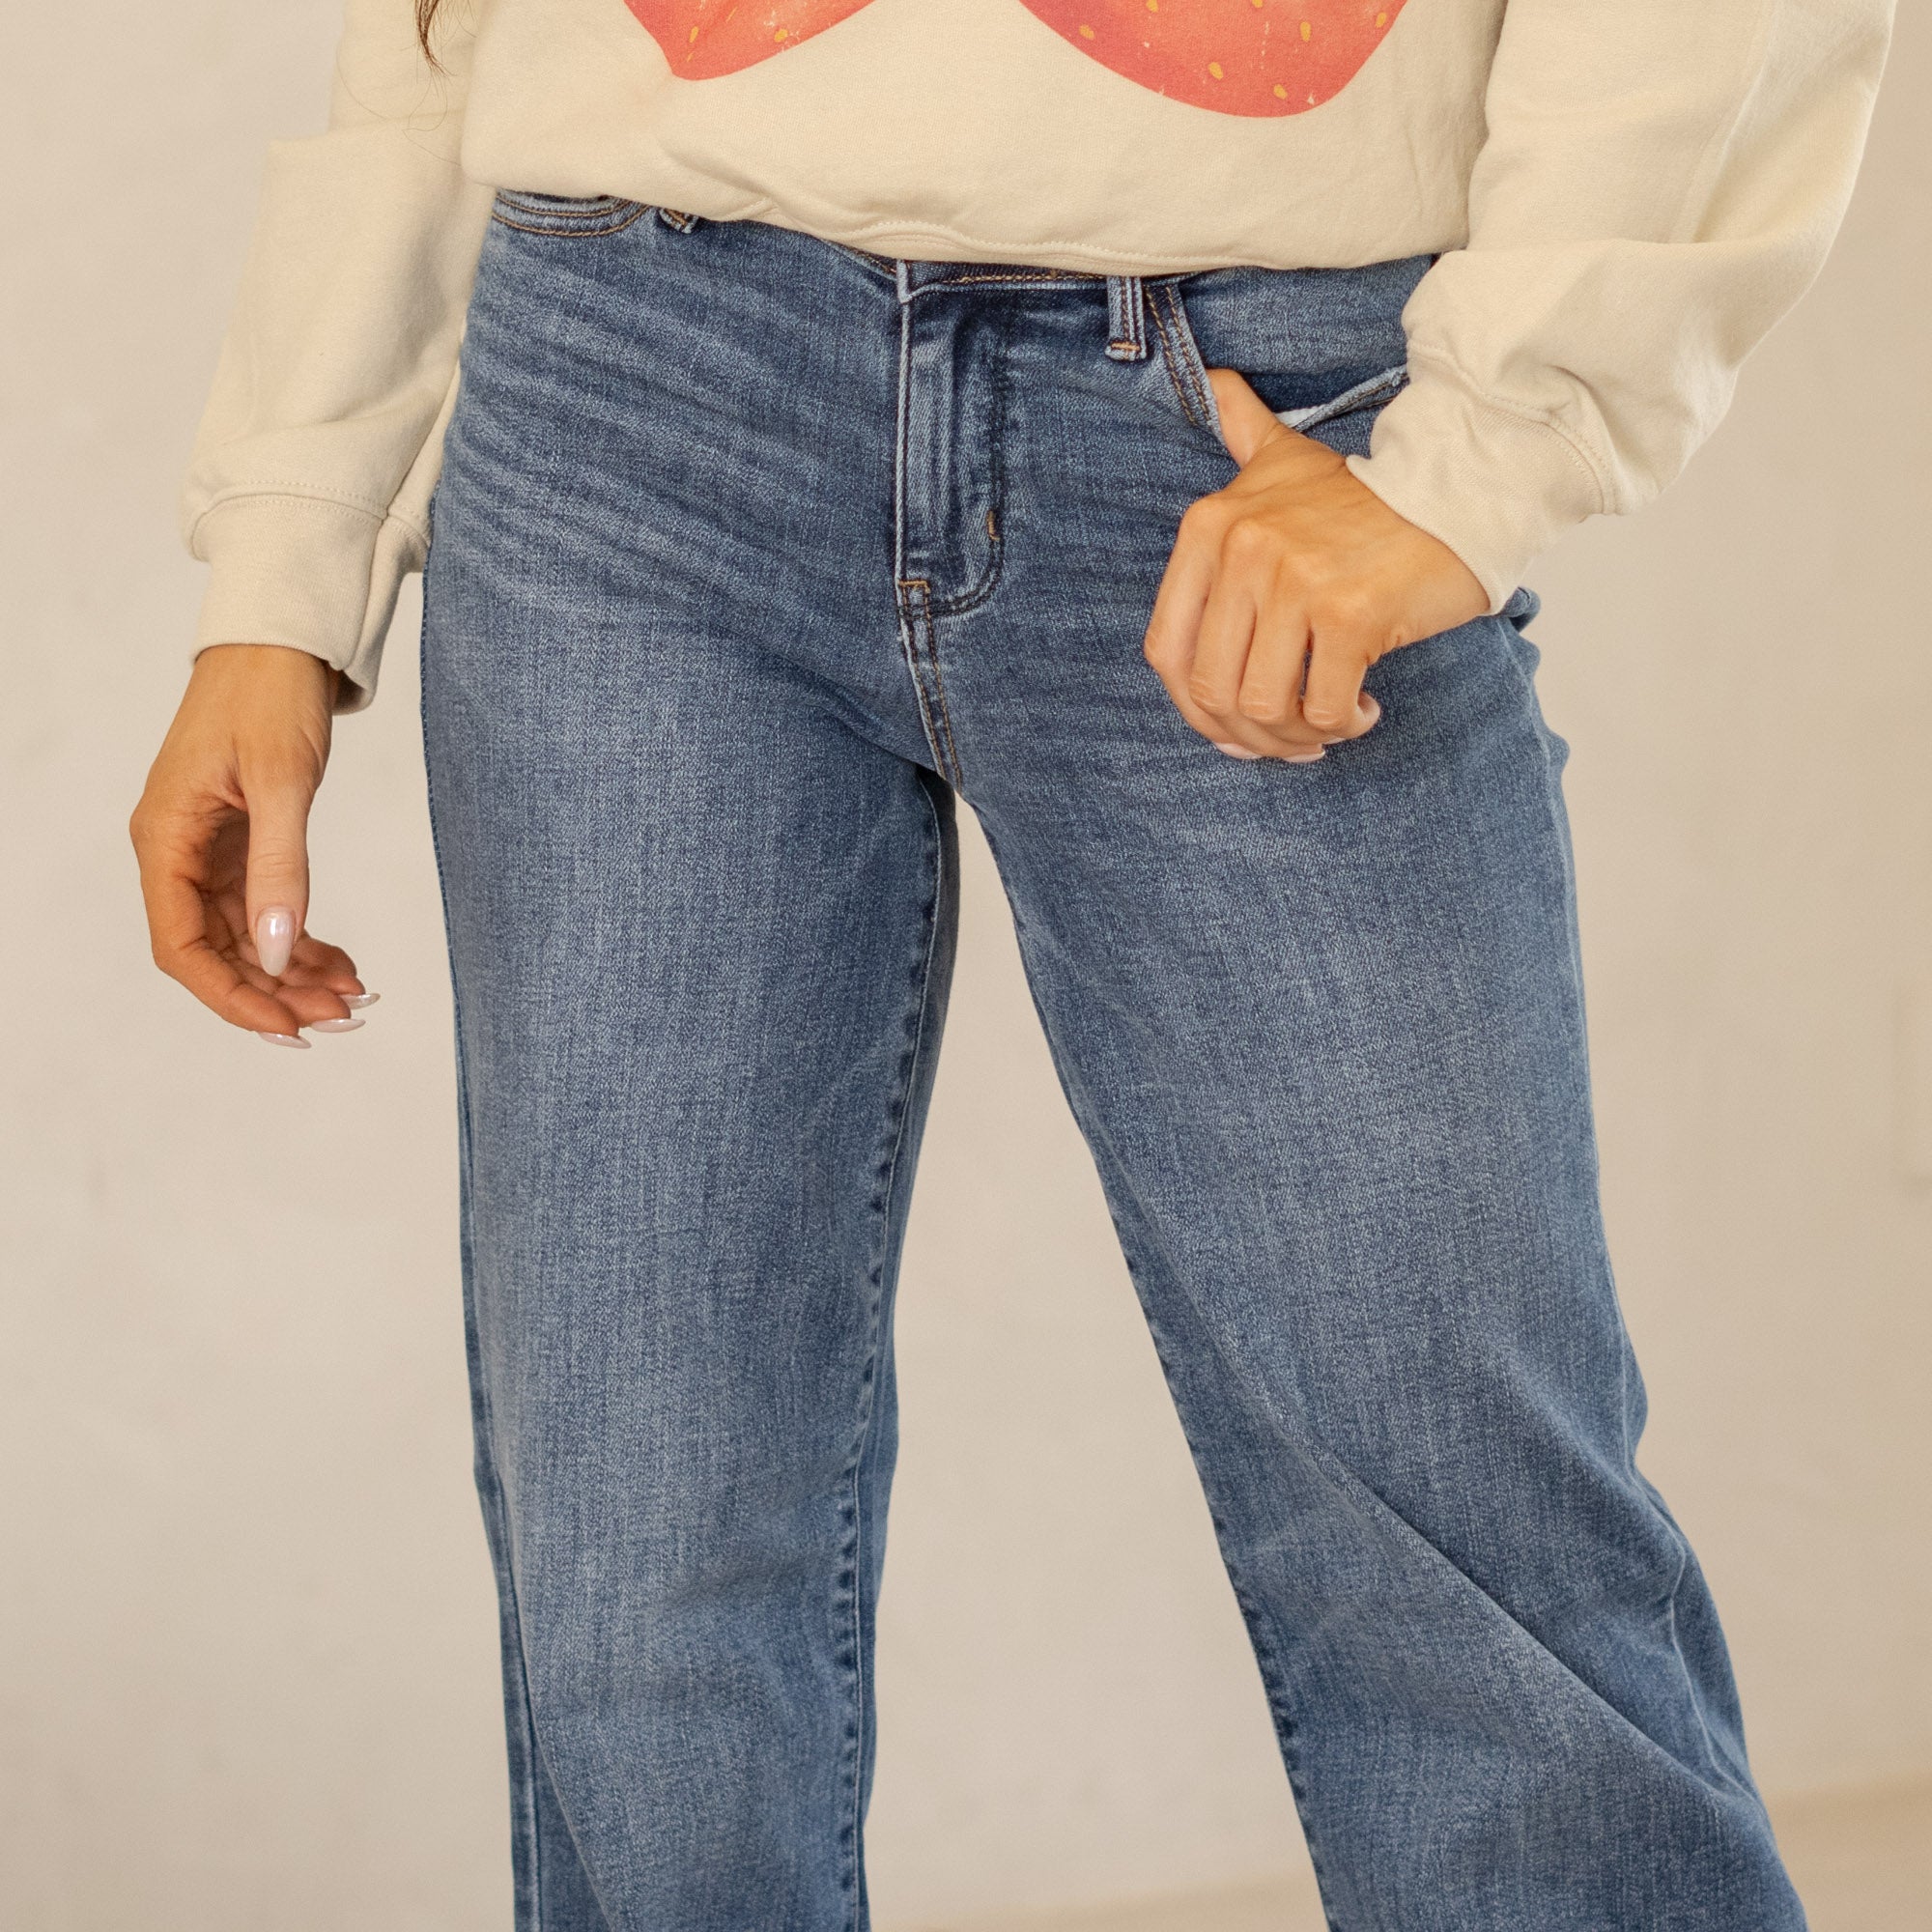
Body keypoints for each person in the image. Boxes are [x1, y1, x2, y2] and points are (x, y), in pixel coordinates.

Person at [130, 1, 1891, 1924]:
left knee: (1465, 1542)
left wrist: (1476, 456)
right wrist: (285, 560)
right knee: (640, 1570)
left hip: (1248, 420)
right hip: (623, 392)